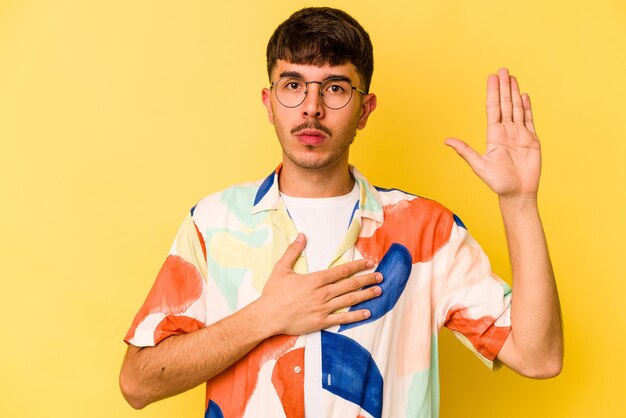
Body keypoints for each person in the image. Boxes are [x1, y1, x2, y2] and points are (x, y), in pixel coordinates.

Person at [119, 7, 563, 418]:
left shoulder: (428, 230)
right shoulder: (213, 223)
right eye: (293, 85)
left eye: (334, 87)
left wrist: (518, 203)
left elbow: (538, 357)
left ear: (365, 110)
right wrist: (267, 316)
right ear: (269, 102)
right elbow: (137, 384)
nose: (312, 107)